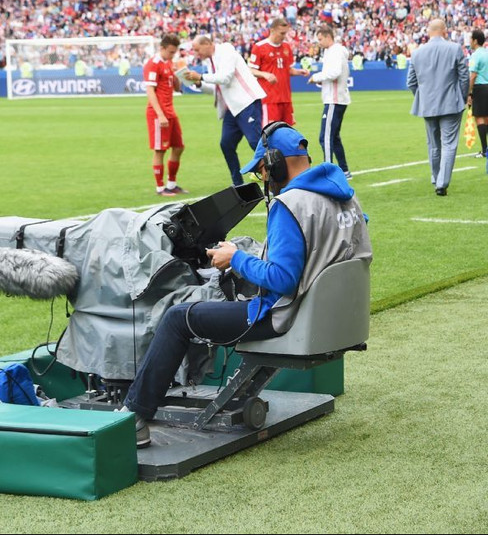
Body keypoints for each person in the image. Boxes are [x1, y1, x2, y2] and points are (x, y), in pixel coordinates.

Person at [119, 124, 372, 447]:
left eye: (261, 172)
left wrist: (235, 258)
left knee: (176, 318)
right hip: (333, 318)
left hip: (284, 315)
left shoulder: (290, 204)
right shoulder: (347, 197)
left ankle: (134, 417)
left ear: (273, 164)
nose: (263, 179)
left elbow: (283, 279)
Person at [186, 35, 267, 187]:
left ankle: (277, 178)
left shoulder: (226, 50)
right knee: (226, 144)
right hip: (233, 108)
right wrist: (198, 83)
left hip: (247, 102)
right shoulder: (211, 61)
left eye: (197, 50)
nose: (197, 54)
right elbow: (217, 87)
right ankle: (237, 183)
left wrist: (201, 76)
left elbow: (225, 78)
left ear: (207, 44)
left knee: (256, 142)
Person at [406, 18, 470, 197]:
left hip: (428, 105)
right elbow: (464, 77)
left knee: (434, 145)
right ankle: (442, 183)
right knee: (449, 144)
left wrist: (423, 98)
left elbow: (410, 82)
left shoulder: (417, 53)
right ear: (444, 30)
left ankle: (436, 178)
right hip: (451, 103)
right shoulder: (454, 48)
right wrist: (462, 97)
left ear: (429, 32)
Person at [143, 34, 188, 196]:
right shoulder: (153, 64)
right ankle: (160, 188)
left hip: (170, 111)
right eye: (170, 52)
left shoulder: (169, 63)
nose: (172, 55)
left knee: (178, 147)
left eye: (174, 52)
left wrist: (178, 74)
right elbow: (150, 91)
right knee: (160, 150)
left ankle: (172, 184)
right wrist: (160, 115)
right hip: (158, 114)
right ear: (161, 48)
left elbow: (177, 88)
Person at [308, 25, 352, 178]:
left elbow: (334, 73)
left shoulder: (335, 51)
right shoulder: (333, 51)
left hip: (334, 99)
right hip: (337, 98)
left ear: (328, 37)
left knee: (325, 137)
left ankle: (328, 171)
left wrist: (316, 77)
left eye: (320, 39)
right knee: (334, 137)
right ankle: (344, 170)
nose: (319, 42)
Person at [249, 17, 310, 126]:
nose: (283, 37)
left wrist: (299, 72)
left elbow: (288, 70)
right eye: (281, 33)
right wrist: (264, 74)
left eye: (285, 33)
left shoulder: (286, 47)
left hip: (286, 98)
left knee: (287, 133)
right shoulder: (259, 47)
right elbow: (251, 70)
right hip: (269, 99)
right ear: (272, 30)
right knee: (270, 133)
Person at [467, 29, 488, 158]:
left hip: (479, 87)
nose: (469, 42)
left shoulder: (476, 55)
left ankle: (485, 150)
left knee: (479, 118)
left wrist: (469, 93)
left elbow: (473, 76)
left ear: (475, 40)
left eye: (470, 39)